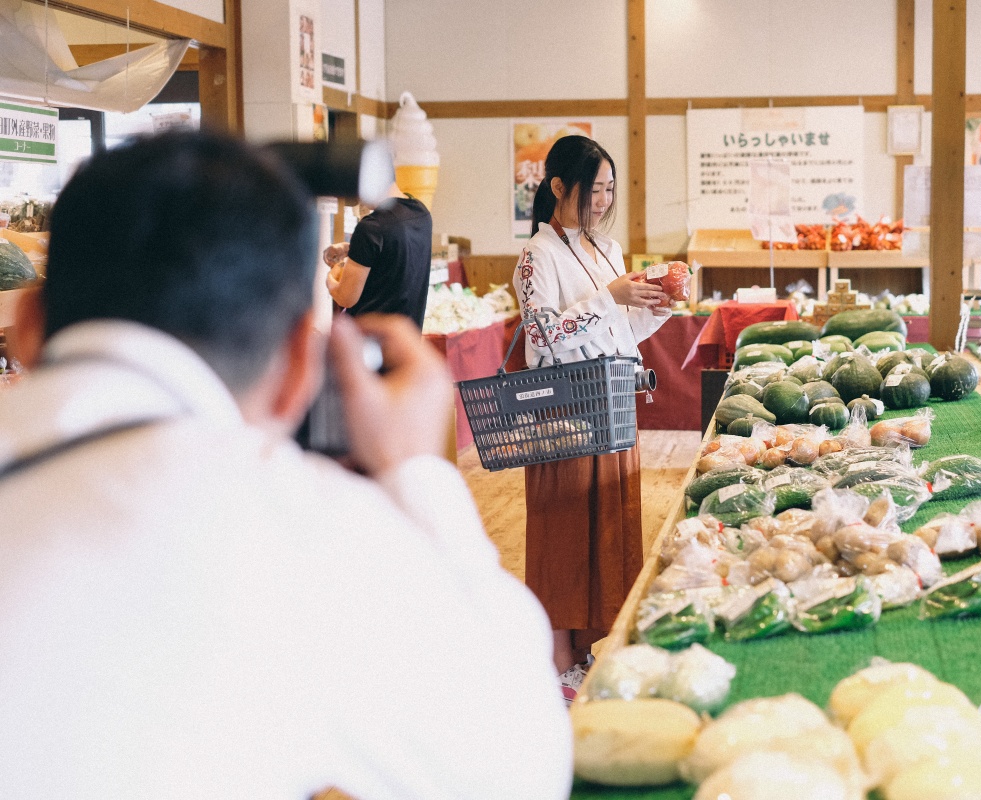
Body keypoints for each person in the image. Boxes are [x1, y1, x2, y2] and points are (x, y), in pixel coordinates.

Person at [0, 131, 571, 799]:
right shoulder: (304, 526)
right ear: (304, 356)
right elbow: (519, 762)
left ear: (29, 329)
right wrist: (419, 472)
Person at [513, 135, 670, 698]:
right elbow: (544, 336)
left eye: (609, 189)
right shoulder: (537, 256)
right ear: (558, 187)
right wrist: (611, 295)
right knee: (562, 531)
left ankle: (583, 647)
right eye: (592, 189)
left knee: (606, 523)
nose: (602, 200)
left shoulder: (605, 248)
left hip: (612, 398)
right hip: (563, 405)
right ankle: (556, 658)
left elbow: (619, 333)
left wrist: (655, 309)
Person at [324, 185, 433, 325]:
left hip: (371, 338)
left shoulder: (372, 226)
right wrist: (354, 250)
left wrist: (330, 278)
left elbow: (346, 298)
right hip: (407, 335)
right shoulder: (421, 212)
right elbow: (397, 252)